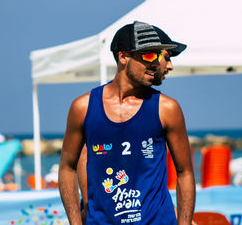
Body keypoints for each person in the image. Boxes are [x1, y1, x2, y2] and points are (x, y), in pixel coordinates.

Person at [59, 21, 195, 225]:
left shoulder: (167, 109)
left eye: (161, 56)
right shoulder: (83, 107)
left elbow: (185, 173)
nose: (158, 63)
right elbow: (67, 167)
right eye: (150, 54)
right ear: (123, 56)